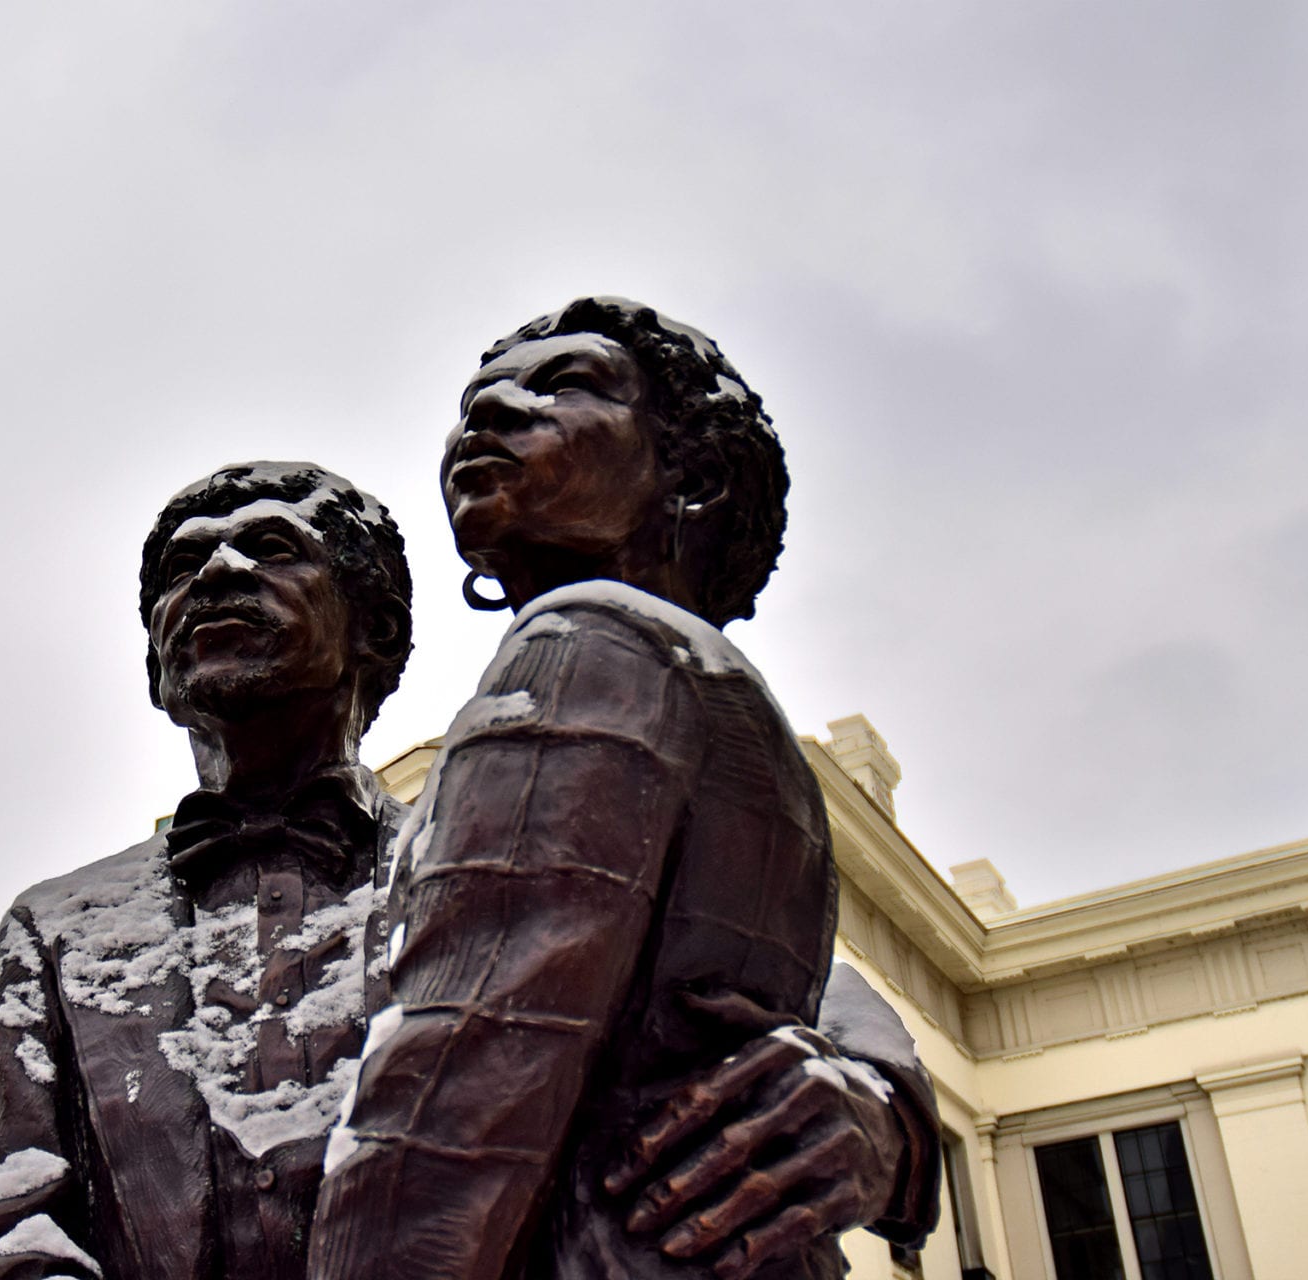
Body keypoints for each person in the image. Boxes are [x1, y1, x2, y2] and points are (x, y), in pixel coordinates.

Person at [0, 460, 931, 1280]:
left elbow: (781, 976)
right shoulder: (56, 927)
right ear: (158, 665)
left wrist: (883, 1112)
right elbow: (5, 1232)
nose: (218, 573)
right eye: (184, 566)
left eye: (272, 547)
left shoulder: (516, 846)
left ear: (375, 628)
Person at [312, 299, 936, 1280]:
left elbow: (457, 1096)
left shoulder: (587, 643)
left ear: (690, 474)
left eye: (562, 386)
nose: (488, 416)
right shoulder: (726, 699)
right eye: (475, 401)